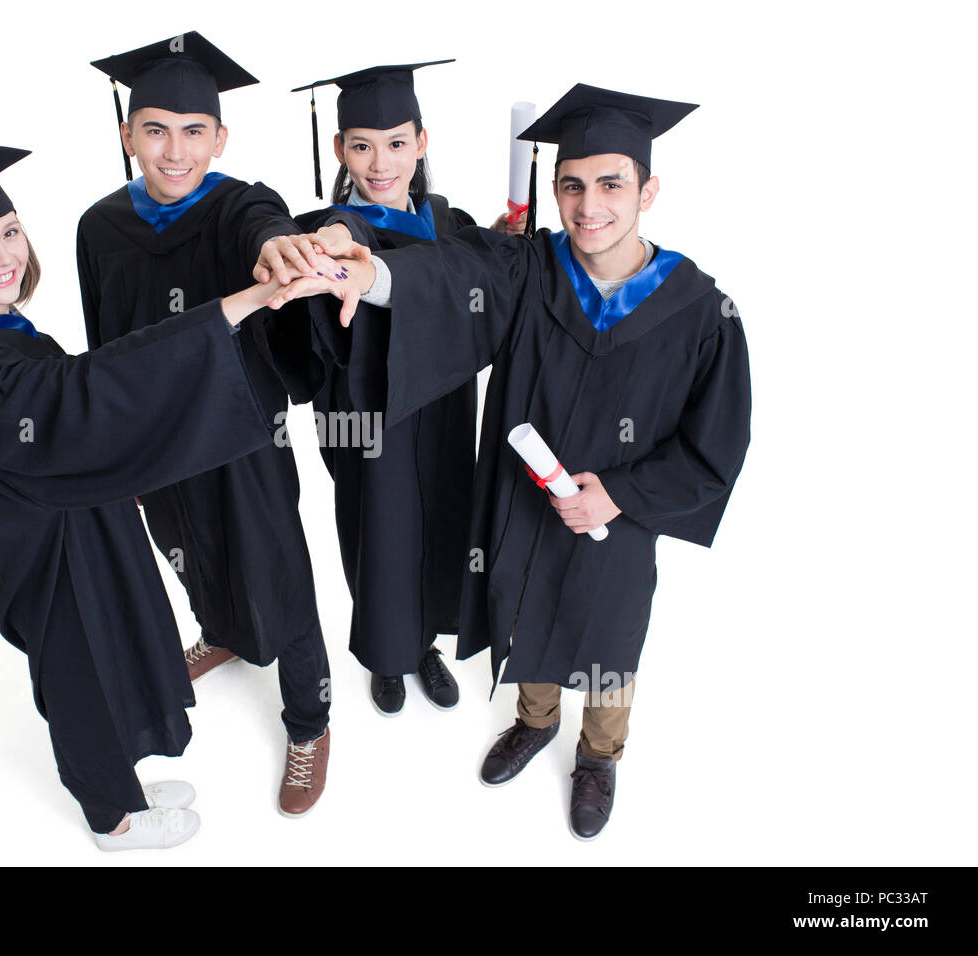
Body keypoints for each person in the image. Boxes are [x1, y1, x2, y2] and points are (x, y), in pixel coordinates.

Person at [269, 84, 752, 839]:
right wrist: (368, 276)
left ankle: (598, 757)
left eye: (611, 184)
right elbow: (453, 276)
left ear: (648, 190)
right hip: (525, 499)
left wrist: (619, 495)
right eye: (572, 185)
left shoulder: (699, 310)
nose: (589, 205)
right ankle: (533, 721)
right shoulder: (530, 267)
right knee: (525, 605)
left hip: (617, 524)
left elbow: (716, 444)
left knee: (610, 637)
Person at [0, 145, 295, 850]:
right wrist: (231, 310)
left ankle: (121, 782)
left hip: (81, 532)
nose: (2, 255)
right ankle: (111, 818)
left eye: (9, 231)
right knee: (82, 677)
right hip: (49, 559)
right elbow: (82, 394)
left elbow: (81, 406)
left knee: (112, 654)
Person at [75, 33, 367, 817]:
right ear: (128, 134)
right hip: (154, 438)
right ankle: (224, 628)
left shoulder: (238, 204)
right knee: (186, 548)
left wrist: (280, 249)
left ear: (220, 137)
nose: (176, 151)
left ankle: (310, 720)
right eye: (157, 129)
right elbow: (101, 336)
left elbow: (264, 229)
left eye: (195, 130)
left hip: (242, 435)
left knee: (278, 567)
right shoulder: (99, 226)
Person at [268, 60, 479, 716]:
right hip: (364, 419)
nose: (379, 163)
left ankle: (424, 648)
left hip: (442, 410)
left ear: (422, 141)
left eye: (395, 143)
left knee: (442, 518)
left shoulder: (453, 222)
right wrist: (332, 247)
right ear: (339, 149)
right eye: (361, 145)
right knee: (378, 530)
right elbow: (340, 247)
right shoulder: (322, 233)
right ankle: (388, 657)